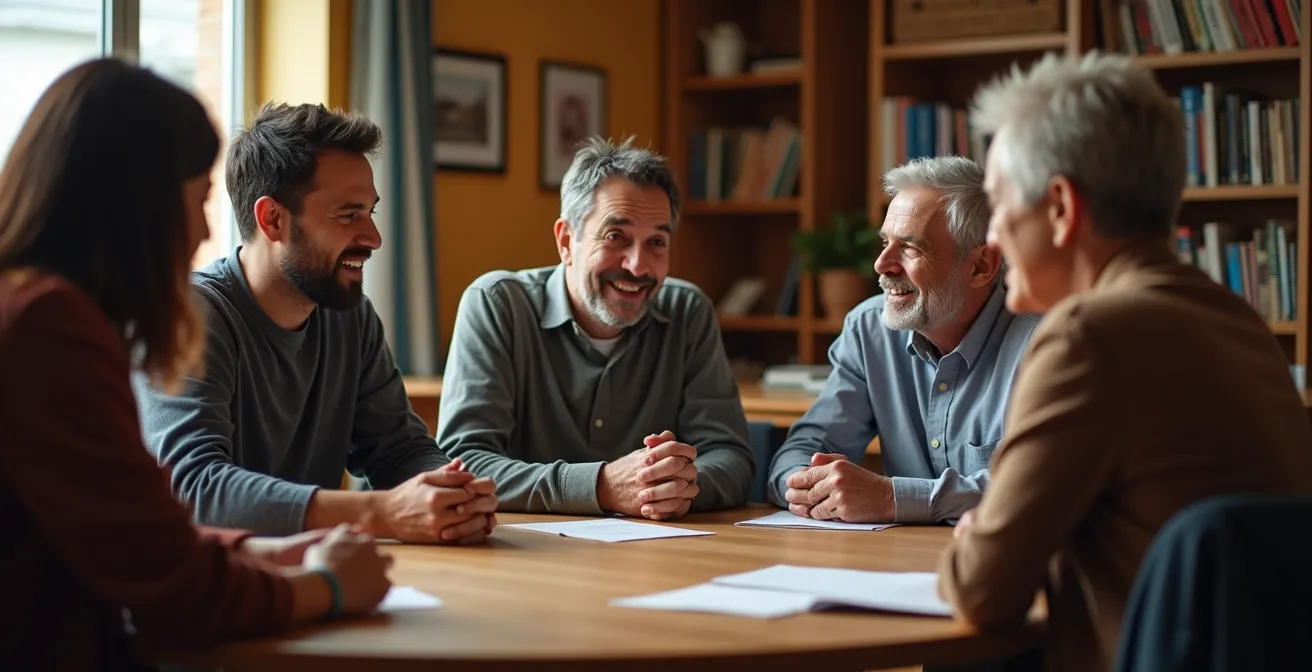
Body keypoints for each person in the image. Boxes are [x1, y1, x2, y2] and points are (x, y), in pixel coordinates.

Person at [0, 58, 394, 670]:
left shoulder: (33, 308)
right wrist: (328, 588)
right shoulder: (46, 328)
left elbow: (137, 537)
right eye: (198, 200)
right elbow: (171, 585)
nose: (203, 228)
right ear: (133, 205)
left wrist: (268, 555)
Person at [937, 52, 1312, 672]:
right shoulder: (1237, 320)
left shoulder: (1087, 337)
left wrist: (977, 531)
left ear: (1060, 208)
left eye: (1000, 206)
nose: (994, 237)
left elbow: (982, 590)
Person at [132, 102, 497, 544]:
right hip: (207, 594)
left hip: (312, 576)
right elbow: (193, 490)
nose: (374, 238)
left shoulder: (350, 315)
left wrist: (453, 492)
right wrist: (380, 512)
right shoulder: (193, 316)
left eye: (370, 212)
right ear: (273, 219)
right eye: (348, 215)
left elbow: (397, 449)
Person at [437, 136, 754, 519]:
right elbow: (465, 463)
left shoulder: (688, 312)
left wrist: (675, 486)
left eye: (656, 242)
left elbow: (732, 455)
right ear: (567, 240)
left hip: (657, 557)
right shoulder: (498, 304)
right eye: (615, 237)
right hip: (524, 559)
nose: (638, 266)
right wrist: (601, 486)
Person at [768, 156, 1039, 524]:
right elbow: (804, 450)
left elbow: (1037, 486)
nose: (882, 264)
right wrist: (807, 484)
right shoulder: (869, 329)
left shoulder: (1043, 341)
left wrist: (892, 498)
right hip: (895, 562)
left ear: (980, 266)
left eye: (910, 247)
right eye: (885, 242)